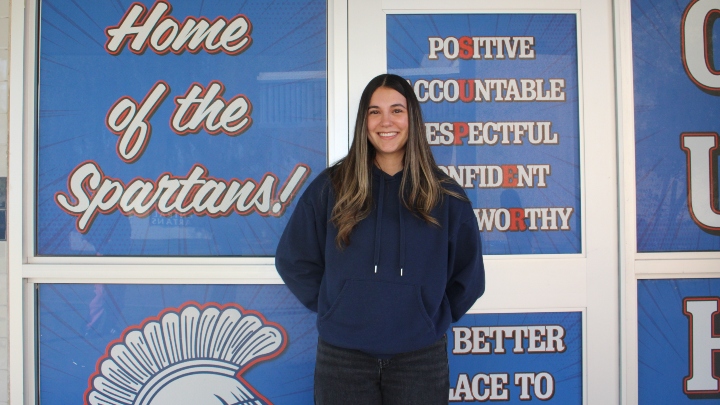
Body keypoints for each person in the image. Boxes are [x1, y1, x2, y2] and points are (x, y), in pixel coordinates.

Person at [275, 73, 485, 404]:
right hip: (343, 358)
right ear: (364, 121)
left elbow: (468, 276)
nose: (385, 121)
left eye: (396, 110)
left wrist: (428, 316)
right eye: (375, 111)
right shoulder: (332, 187)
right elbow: (294, 259)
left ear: (412, 118)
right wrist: (337, 306)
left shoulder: (444, 195)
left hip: (419, 359)